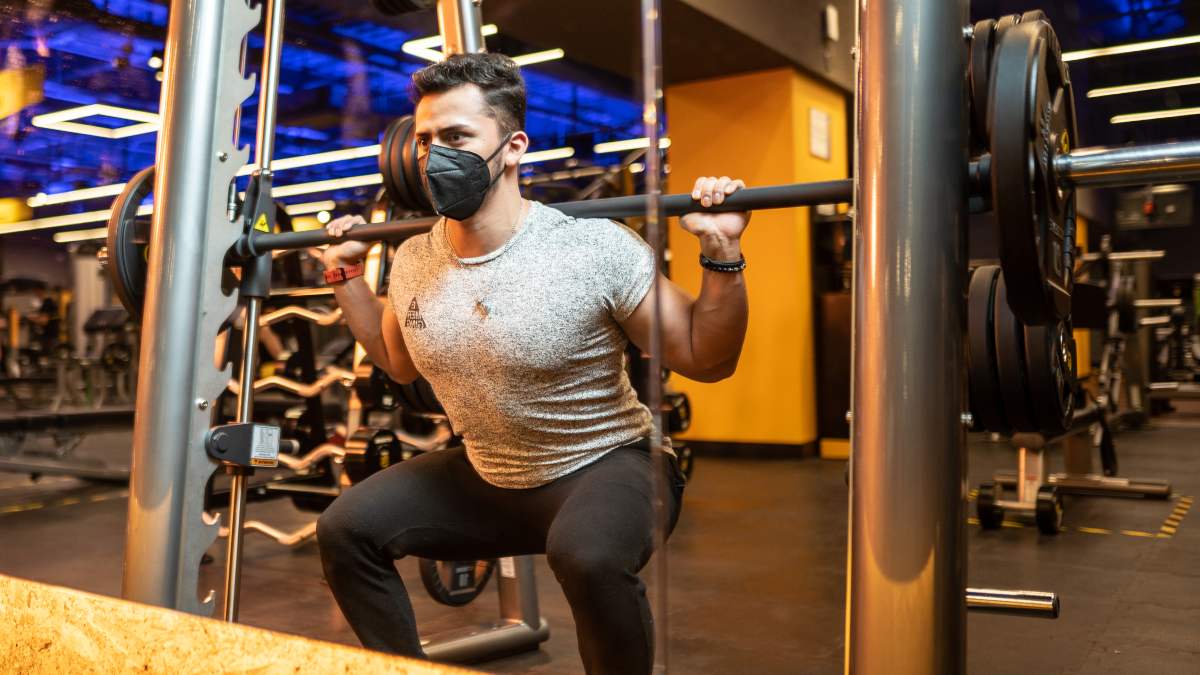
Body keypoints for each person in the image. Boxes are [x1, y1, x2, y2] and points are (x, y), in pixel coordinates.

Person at [316, 52, 750, 674]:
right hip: (491, 473)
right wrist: (345, 275)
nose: (435, 155)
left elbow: (707, 360)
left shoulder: (592, 248)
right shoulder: (413, 257)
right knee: (346, 529)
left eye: (459, 137)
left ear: (513, 147)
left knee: (589, 556)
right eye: (427, 140)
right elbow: (396, 363)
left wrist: (721, 251)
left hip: (610, 465)